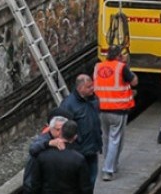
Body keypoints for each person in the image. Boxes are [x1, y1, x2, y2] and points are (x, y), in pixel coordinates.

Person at [93, 45, 138, 181]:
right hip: (118, 109)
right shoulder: (121, 67)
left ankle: (110, 164)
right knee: (115, 139)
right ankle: (108, 169)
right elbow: (134, 82)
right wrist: (126, 66)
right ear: (118, 56)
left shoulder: (98, 67)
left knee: (106, 138)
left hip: (101, 108)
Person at [60, 74, 102, 188]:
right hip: (79, 150)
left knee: (91, 179)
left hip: (92, 148)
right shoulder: (68, 104)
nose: (92, 89)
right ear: (80, 88)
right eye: (89, 87)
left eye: (92, 86)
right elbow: (63, 128)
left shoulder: (93, 99)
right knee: (79, 182)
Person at [29, 120, 92, 194]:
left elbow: (35, 184)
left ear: (61, 133)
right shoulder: (79, 159)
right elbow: (85, 187)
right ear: (75, 137)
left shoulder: (42, 156)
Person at [23, 109, 72, 193]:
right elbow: (33, 149)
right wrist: (48, 143)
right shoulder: (44, 139)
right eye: (58, 130)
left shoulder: (66, 138)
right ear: (50, 128)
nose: (60, 133)